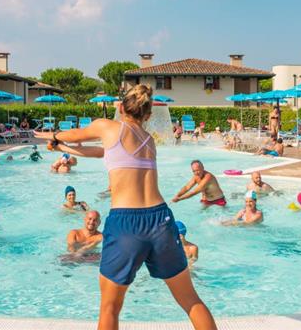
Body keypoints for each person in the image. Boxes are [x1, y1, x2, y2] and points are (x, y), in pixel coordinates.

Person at [34, 84, 216, 329]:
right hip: (161, 219)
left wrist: (55, 137)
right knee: (191, 300)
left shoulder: (108, 126)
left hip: (126, 221)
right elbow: (103, 152)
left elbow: (77, 134)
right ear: (147, 115)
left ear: (120, 107)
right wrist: (62, 148)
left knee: (110, 308)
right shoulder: (148, 140)